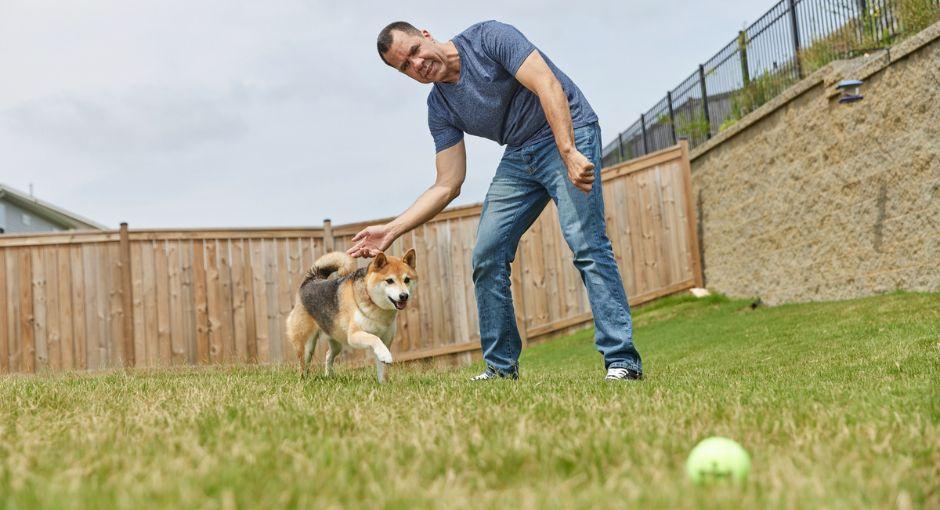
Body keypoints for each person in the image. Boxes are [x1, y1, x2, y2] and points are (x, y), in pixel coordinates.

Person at [347, 20, 642, 381]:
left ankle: (622, 360)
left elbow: (548, 84)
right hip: (521, 153)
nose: (417, 64)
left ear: (425, 35)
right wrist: (392, 230)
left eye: (413, 52)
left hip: (567, 129)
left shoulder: (488, 39)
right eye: (405, 66)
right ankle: (501, 368)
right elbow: (448, 183)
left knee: (587, 244)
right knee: (487, 254)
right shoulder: (440, 108)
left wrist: (568, 151)